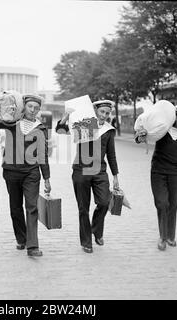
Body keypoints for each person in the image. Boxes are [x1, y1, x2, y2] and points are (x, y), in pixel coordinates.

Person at [0, 93, 51, 257]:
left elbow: (43, 154)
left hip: (31, 173)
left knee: (32, 207)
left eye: (36, 108)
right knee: (15, 208)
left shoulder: (40, 128)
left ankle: (32, 245)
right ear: (24, 107)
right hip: (11, 172)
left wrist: (46, 177)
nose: (33, 110)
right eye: (30, 107)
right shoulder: (12, 122)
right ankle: (21, 238)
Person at [56, 100, 120, 253]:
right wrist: (66, 116)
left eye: (107, 113)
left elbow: (111, 154)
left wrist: (115, 176)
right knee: (83, 208)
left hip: (100, 171)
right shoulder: (84, 124)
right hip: (81, 171)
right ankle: (86, 241)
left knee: (104, 202)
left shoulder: (109, 130)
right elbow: (60, 130)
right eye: (102, 112)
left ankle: (96, 230)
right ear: (95, 111)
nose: (104, 115)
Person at [135, 104, 177, 251]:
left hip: (176, 173)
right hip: (158, 171)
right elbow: (142, 137)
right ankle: (162, 237)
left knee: (173, 205)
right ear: (175, 118)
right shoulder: (164, 128)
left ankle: (170, 236)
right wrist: (140, 135)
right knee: (162, 203)